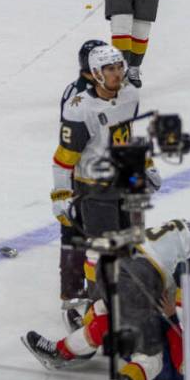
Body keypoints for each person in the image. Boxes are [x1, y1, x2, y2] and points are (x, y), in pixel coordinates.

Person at [22, 198, 190, 380]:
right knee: (150, 359)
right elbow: (184, 281)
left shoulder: (183, 225)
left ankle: (60, 350)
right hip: (137, 277)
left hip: (108, 261)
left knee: (111, 314)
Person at [50, 44, 148, 248]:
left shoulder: (130, 95)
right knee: (104, 253)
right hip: (94, 188)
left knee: (133, 248)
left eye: (119, 67)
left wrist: (144, 165)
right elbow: (64, 159)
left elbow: (125, 138)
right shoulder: (80, 108)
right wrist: (61, 193)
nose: (117, 73)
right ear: (96, 72)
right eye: (110, 69)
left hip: (125, 184)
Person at [55, 38, 106, 329]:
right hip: (80, 173)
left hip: (98, 174)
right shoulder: (78, 96)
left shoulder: (102, 90)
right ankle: (73, 294)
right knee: (75, 233)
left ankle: (92, 293)